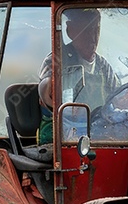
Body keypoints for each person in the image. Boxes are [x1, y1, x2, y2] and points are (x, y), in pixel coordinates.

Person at [37, 8, 117, 144]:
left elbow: (120, 96)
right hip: (62, 136)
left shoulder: (103, 66)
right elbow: (46, 92)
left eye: (96, 30)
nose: (92, 37)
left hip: (98, 133)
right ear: (70, 31)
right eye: (86, 31)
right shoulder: (56, 60)